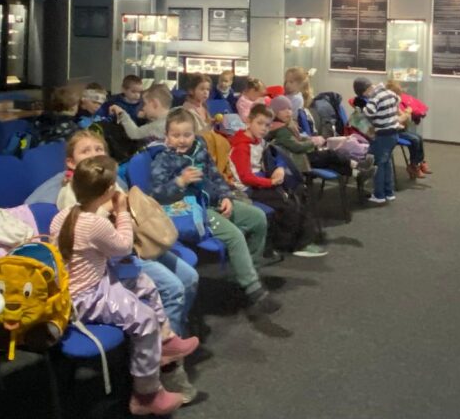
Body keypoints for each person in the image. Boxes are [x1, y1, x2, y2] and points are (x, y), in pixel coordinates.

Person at [51, 155, 198, 415]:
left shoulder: (62, 215)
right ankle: (146, 394)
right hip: (85, 297)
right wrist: (121, 212)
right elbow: (123, 246)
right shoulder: (94, 223)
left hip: (96, 281)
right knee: (144, 319)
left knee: (143, 282)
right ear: (108, 191)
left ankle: (165, 341)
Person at [150, 109, 280, 316]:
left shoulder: (199, 151)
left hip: (214, 202)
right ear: (167, 136)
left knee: (258, 218)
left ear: (194, 134)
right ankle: (253, 289)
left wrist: (225, 196)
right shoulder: (163, 160)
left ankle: (247, 274)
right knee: (235, 236)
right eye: (176, 135)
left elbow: (216, 177)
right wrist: (180, 181)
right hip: (191, 210)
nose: (182, 140)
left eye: (187, 135)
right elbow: (157, 194)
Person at [230, 104, 326, 258]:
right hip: (247, 189)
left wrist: (280, 168)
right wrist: (271, 183)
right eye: (259, 123)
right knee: (287, 203)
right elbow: (245, 177)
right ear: (249, 121)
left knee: (298, 194)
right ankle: (294, 245)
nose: (264, 128)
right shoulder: (242, 146)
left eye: (267, 125)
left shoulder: (259, 141)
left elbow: (275, 155)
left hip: (262, 182)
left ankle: (303, 239)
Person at [266, 95, 355, 177]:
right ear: (275, 113)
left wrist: (309, 139)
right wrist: (313, 142)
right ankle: (355, 165)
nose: (288, 112)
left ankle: (355, 171)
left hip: (301, 156)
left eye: (289, 109)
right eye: (283, 109)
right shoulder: (281, 130)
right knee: (330, 154)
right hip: (299, 159)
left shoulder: (286, 125)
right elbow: (297, 147)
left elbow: (297, 138)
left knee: (332, 163)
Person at [354, 77, 400, 205]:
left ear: (365, 90)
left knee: (378, 164)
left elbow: (368, 113)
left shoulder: (374, 98)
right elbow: (398, 101)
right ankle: (389, 192)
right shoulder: (390, 93)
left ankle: (379, 195)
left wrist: (361, 111)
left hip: (382, 136)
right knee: (387, 162)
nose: (365, 97)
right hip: (393, 134)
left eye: (364, 94)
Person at [385, 80, 430, 178]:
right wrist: (407, 113)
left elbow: (404, 118)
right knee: (415, 139)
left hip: (399, 129)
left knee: (419, 138)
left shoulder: (395, 105)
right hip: (392, 132)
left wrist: (405, 113)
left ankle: (419, 162)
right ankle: (414, 165)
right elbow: (399, 120)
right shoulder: (387, 106)